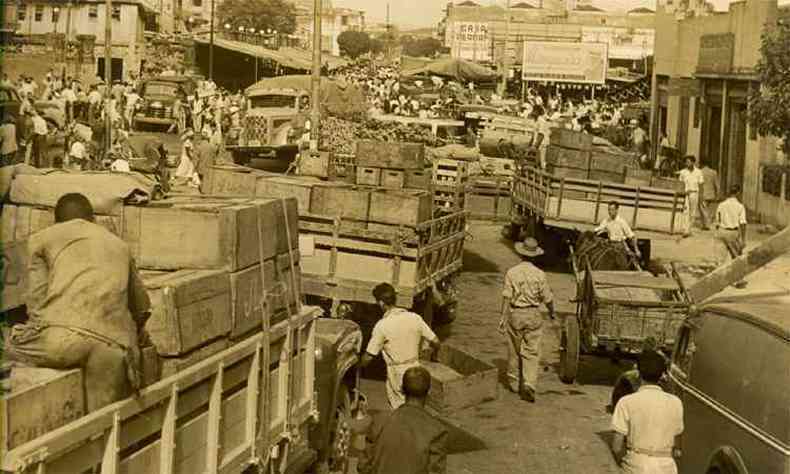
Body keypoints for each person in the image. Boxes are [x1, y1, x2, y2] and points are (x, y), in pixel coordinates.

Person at [5, 194, 151, 411]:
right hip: (111, 345)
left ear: (57, 221)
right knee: (101, 424)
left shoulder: (42, 239)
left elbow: (36, 301)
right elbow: (141, 307)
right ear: (92, 219)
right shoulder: (120, 245)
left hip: (61, 340)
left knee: (6, 344)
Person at [359, 283, 441, 409]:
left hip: (397, 373)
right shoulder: (415, 318)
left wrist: (358, 367)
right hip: (415, 369)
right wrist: (434, 355)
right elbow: (436, 341)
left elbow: (369, 356)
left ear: (381, 303)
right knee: (416, 408)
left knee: (399, 410)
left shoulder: (383, 325)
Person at [501, 237, 556, 403]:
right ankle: (529, 383)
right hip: (533, 315)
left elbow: (506, 297)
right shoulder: (540, 274)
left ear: (521, 254)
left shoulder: (512, 272)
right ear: (535, 256)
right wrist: (552, 312)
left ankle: (514, 381)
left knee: (514, 348)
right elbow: (547, 298)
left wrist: (502, 317)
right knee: (531, 351)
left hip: (516, 314)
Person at [611, 350, 684, 474]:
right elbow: (678, 447)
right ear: (662, 375)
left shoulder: (626, 402)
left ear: (638, 374)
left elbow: (616, 447)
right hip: (667, 467)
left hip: (636, 465)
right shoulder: (676, 403)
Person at [368, 366, 448, 474]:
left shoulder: (380, 421)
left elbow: (364, 466)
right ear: (429, 393)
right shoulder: (437, 431)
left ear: (402, 389)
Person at [714, 185, 748, 279]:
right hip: (733, 233)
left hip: (721, 231)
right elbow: (743, 223)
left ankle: (717, 280)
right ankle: (738, 280)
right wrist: (743, 239)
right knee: (737, 257)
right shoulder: (740, 206)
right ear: (737, 193)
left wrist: (718, 231)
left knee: (720, 259)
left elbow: (717, 221)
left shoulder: (721, 205)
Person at [677, 156, 704, 237]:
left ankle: (689, 229)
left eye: (689, 162)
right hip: (686, 194)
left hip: (695, 193)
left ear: (693, 162)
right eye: (686, 162)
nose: (687, 164)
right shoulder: (683, 172)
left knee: (693, 212)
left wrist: (701, 196)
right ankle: (685, 230)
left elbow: (701, 184)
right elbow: (680, 184)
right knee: (686, 211)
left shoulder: (699, 172)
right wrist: (682, 192)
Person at [699, 161, 720, 230]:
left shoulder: (699, 172)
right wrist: (717, 194)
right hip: (711, 194)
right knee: (709, 210)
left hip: (703, 194)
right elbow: (717, 185)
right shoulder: (714, 172)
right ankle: (706, 224)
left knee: (703, 210)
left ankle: (706, 225)